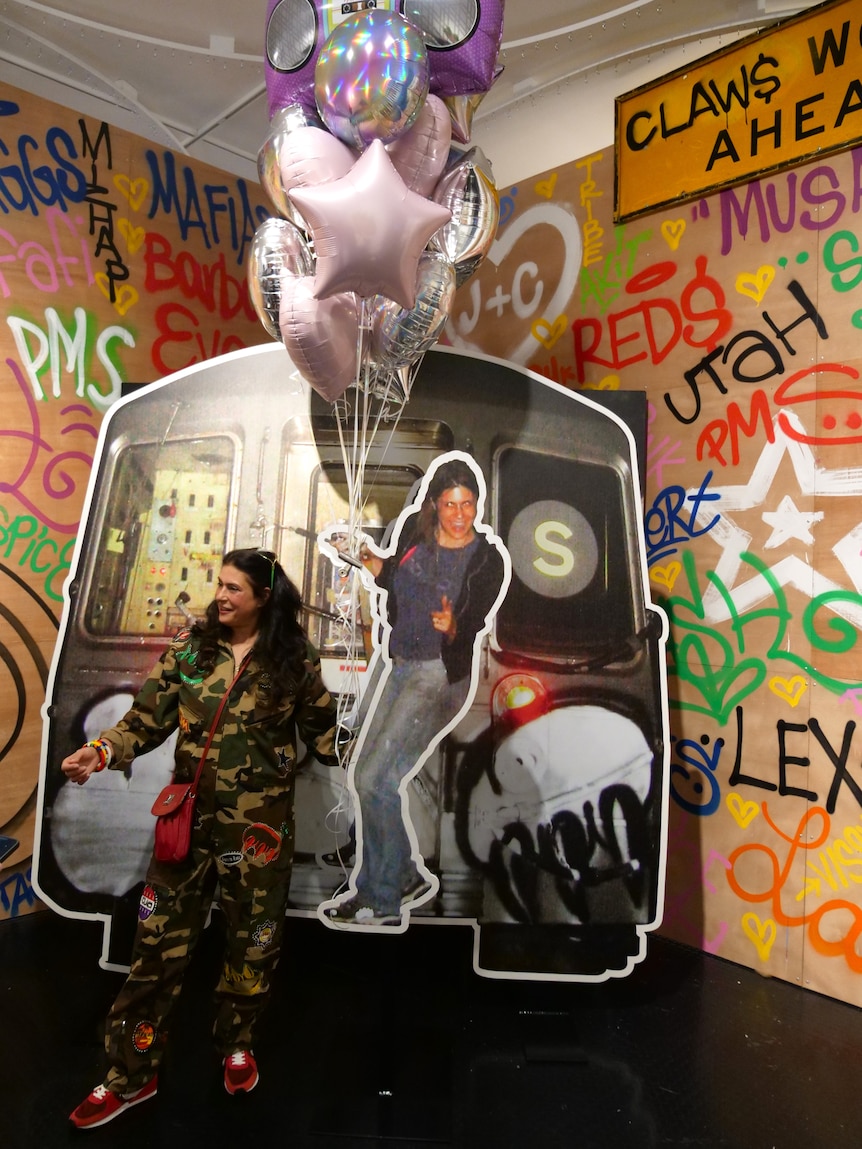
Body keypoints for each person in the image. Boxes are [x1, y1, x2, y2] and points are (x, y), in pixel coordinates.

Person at [62, 548, 338, 1129]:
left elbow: (323, 733)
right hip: (186, 825)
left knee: (252, 945)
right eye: (220, 585)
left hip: (259, 833)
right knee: (155, 950)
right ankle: (129, 1075)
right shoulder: (192, 650)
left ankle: (236, 1042)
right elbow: (145, 719)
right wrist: (103, 751)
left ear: (265, 598)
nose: (222, 596)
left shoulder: (294, 659)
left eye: (235, 588)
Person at [322, 455, 509, 929]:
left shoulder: (485, 559)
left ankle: (383, 896)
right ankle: (399, 873)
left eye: (468, 504)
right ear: (435, 504)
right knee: (366, 776)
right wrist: (363, 556)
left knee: (377, 780)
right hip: (400, 664)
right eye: (451, 504)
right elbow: (392, 579)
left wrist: (454, 627)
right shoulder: (415, 535)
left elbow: (475, 618)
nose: (461, 513)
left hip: (438, 676)